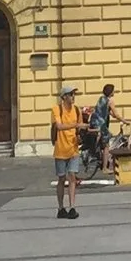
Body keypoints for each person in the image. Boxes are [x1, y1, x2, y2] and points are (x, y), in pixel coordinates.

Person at [52, 84, 84, 219]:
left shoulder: (77, 110)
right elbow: (59, 126)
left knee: (72, 177)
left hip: (73, 149)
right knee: (61, 178)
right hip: (60, 149)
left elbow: (79, 129)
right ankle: (61, 208)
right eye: (71, 94)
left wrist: (80, 135)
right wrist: (75, 125)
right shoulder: (57, 109)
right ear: (64, 97)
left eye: (74, 94)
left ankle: (72, 207)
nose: (73, 97)